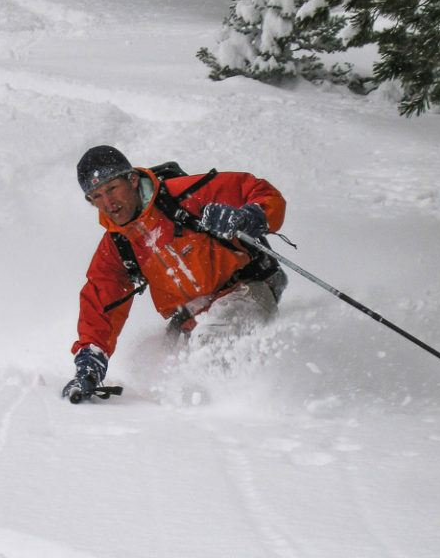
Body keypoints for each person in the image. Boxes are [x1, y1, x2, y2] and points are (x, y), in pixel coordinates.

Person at [62, 145, 287, 400]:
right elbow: (101, 300)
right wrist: (90, 360)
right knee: (148, 364)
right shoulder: (118, 244)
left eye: (112, 188)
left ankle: (248, 410)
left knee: (211, 344)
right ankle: (181, 420)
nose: (109, 203)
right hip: (190, 319)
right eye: (97, 196)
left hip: (246, 288)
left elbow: (261, 192)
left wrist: (249, 217)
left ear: (132, 180)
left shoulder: (186, 194)